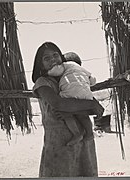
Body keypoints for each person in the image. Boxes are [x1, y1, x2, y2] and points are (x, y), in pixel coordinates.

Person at [32, 42, 104, 177]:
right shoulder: (42, 83)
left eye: (55, 55)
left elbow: (94, 107)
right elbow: (59, 104)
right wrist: (90, 105)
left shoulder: (72, 80)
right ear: (40, 65)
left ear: (62, 58)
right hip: (60, 145)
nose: (53, 59)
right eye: (47, 58)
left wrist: (90, 106)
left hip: (84, 143)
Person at [47, 59, 97, 145]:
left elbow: (55, 71)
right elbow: (93, 80)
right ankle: (89, 133)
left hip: (70, 92)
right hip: (86, 94)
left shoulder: (65, 65)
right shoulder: (82, 69)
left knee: (64, 111)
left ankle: (77, 134)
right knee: (83, 116)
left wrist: (48, 73)